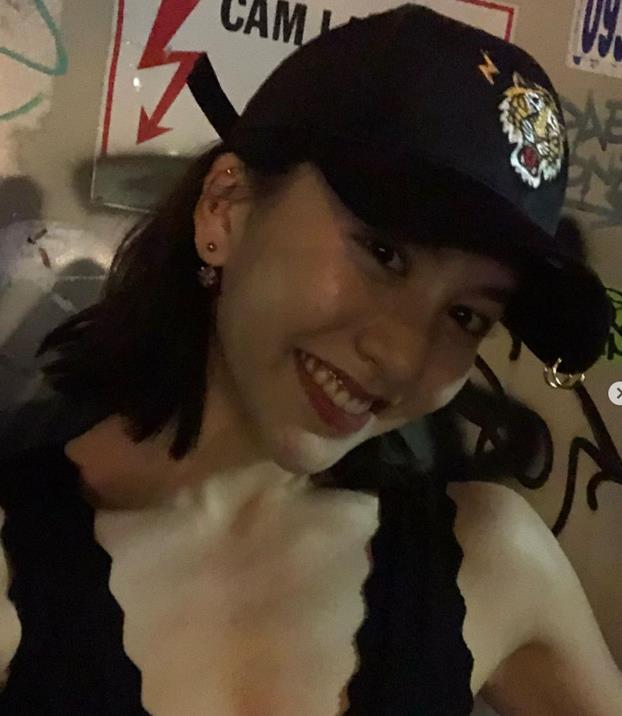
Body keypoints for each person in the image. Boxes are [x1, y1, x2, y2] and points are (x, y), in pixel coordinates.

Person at [0, 4, 619, 715]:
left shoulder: (488, 560)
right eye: (385, 253)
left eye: (466, 316)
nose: (402, 357)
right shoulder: (15, 565)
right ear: (226, 207)